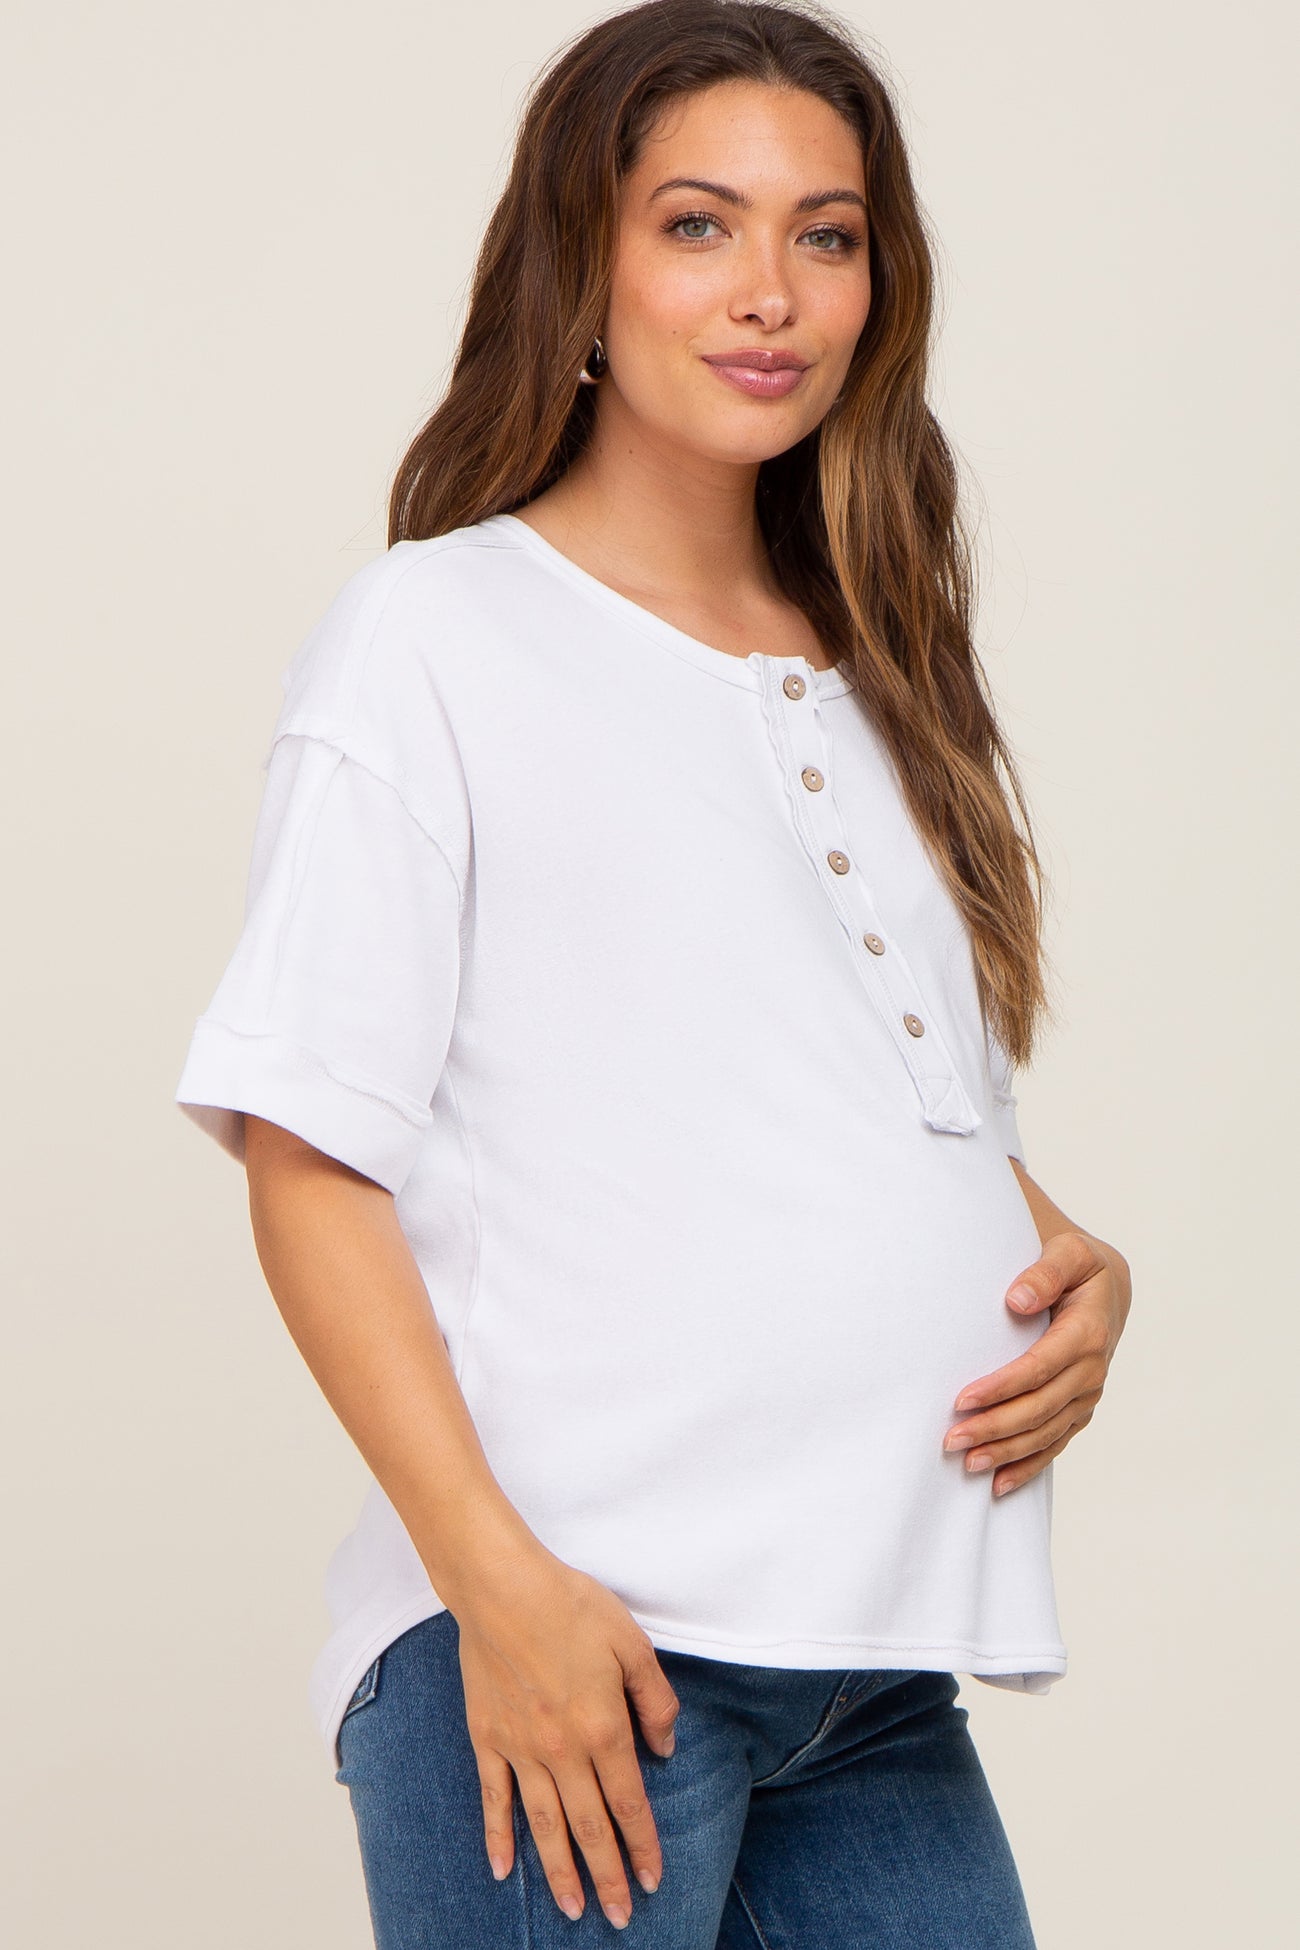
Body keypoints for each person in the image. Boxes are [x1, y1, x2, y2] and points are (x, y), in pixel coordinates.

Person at [174, 2, 1132, 1943]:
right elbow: (309, 1156)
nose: (770, 291)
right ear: (582, 271)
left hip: (867, 1665)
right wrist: (496, 1587)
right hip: (578, 1633)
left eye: (825, 235)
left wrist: (1056, 1258)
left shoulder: (877, 672)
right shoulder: (436, 635)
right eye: (698, 224)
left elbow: (843, 1089)